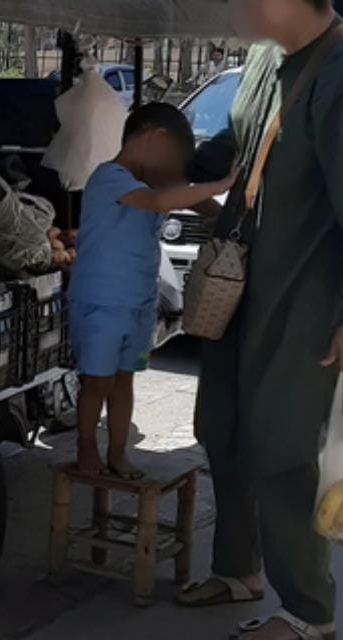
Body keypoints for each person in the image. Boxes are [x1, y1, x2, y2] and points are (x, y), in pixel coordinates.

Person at [175, 0, 343, 638]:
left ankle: (307, 613)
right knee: (223, 428)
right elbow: (240, 149)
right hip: (240, 285)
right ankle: (237, 570)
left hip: (305, 300)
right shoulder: (263, 59)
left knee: (283, 450)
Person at [69, 103, 234, 478]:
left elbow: (189, 196)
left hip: (139, 302)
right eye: (173, 161)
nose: (174, 174)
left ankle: (117, 452)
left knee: (124, 379)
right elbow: (160, 201)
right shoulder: (109, 177)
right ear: (152, 139)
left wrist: (225, 214)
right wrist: (222, 186)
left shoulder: (153, 184)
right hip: (101, 302)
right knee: (98, 381)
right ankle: (86, 448)